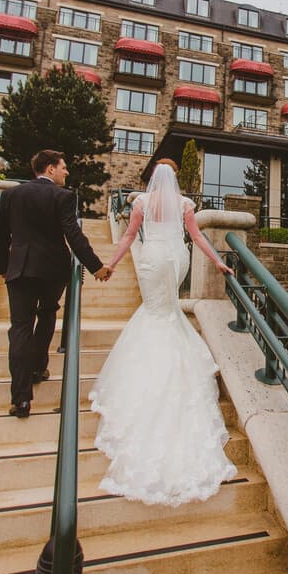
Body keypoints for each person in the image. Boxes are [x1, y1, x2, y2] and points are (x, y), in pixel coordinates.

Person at [88, 159, 237, 506]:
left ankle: (151, 358)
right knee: (168, 307)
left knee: (155, 308)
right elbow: (197, 236)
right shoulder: (185, 204)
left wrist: (110, 263)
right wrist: (216, 261)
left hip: (153, 256)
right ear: (175, 179)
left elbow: (128, 235)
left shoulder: (141, 202)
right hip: (177, 256)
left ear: (154, 178)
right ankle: (175, 352)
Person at [0, 149, 111, 419]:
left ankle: (21, 399)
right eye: (63, 167)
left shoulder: (11, 195)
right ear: (49, 169)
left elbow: (0, 235)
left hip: (20, 268)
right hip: (51, 269)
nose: (66, 172)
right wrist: (96, 267)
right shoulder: (63, 196)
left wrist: (2, 266)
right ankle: (38, 368)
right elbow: (74, 235)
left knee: (20, 328)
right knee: (47, 315)